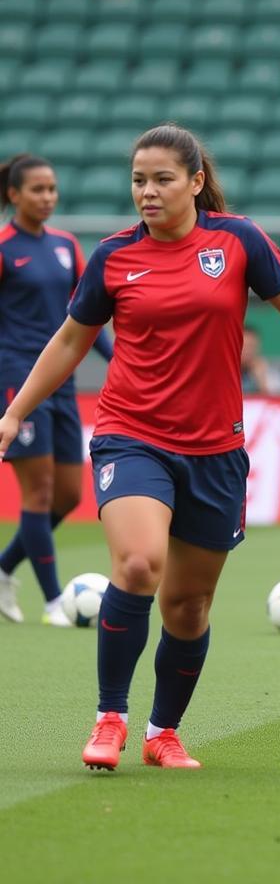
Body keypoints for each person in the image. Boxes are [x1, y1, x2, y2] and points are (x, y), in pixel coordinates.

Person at [0, 124, 280, 770]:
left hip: (215, 451)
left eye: (162, 179)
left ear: (196, 183)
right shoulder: (114, 256)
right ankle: (110, 720)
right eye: (138, 181)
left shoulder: (238, 241)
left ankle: (162, 732)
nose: (147, 191)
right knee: (140, 565)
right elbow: (68, 342)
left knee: (189, 605)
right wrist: (14, 413)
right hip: (130, 435)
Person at [0, 154, 113, 627]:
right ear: (14, 195)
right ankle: (52, 601)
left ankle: (4, 567)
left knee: (68, 494)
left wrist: (117, 358)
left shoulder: (67, 246)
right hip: (17, 381)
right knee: (39, 493)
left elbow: (85, 316)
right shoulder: (4, 248)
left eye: (52, 189)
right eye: (37, 189)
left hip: (63, 383)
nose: (48, 197)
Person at [240, 323, 280, 395]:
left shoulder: (271, 374)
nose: (247, 351)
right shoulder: (225, 373)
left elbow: (278, 403)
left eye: (251, 346)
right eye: (244, 346)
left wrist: (262, 379)